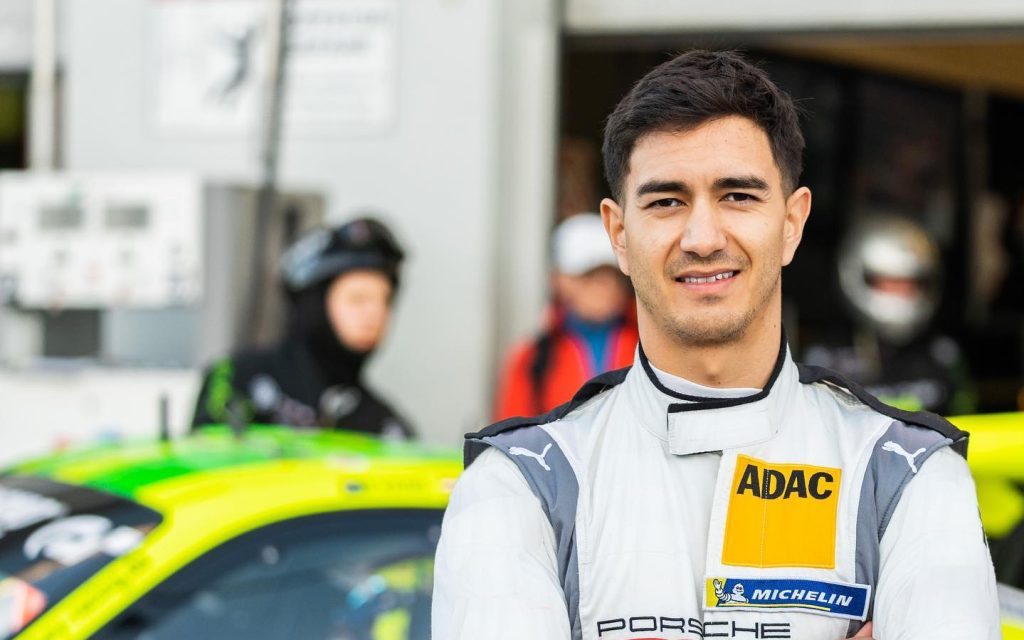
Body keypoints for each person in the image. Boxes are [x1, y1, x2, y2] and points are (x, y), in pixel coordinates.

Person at [432, 51, 998, 640]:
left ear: (792, 223)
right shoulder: (520, 482)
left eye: (738, 196)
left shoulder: (907, 473)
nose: (702, 238)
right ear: (618, 233)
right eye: (666, 201)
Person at [192, 217, 413, 439]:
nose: (374, 314)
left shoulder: (387, 427)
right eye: (358, 299)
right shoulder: (236, 376)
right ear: (315, 304)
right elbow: (205, 458)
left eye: (385, 300)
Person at [803, 214, 976, 415]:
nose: (901, 294)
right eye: (890, 283)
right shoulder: (825, 358)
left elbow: (969, 421)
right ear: (860, 276)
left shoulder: (943, 354)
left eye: (911, 284)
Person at [494, 213, 638, 419]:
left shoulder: (654, 346)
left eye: (611, 274)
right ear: (558, 279)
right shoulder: (533, 357)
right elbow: (511, 437)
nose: (603, 285)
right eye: (588, 275)